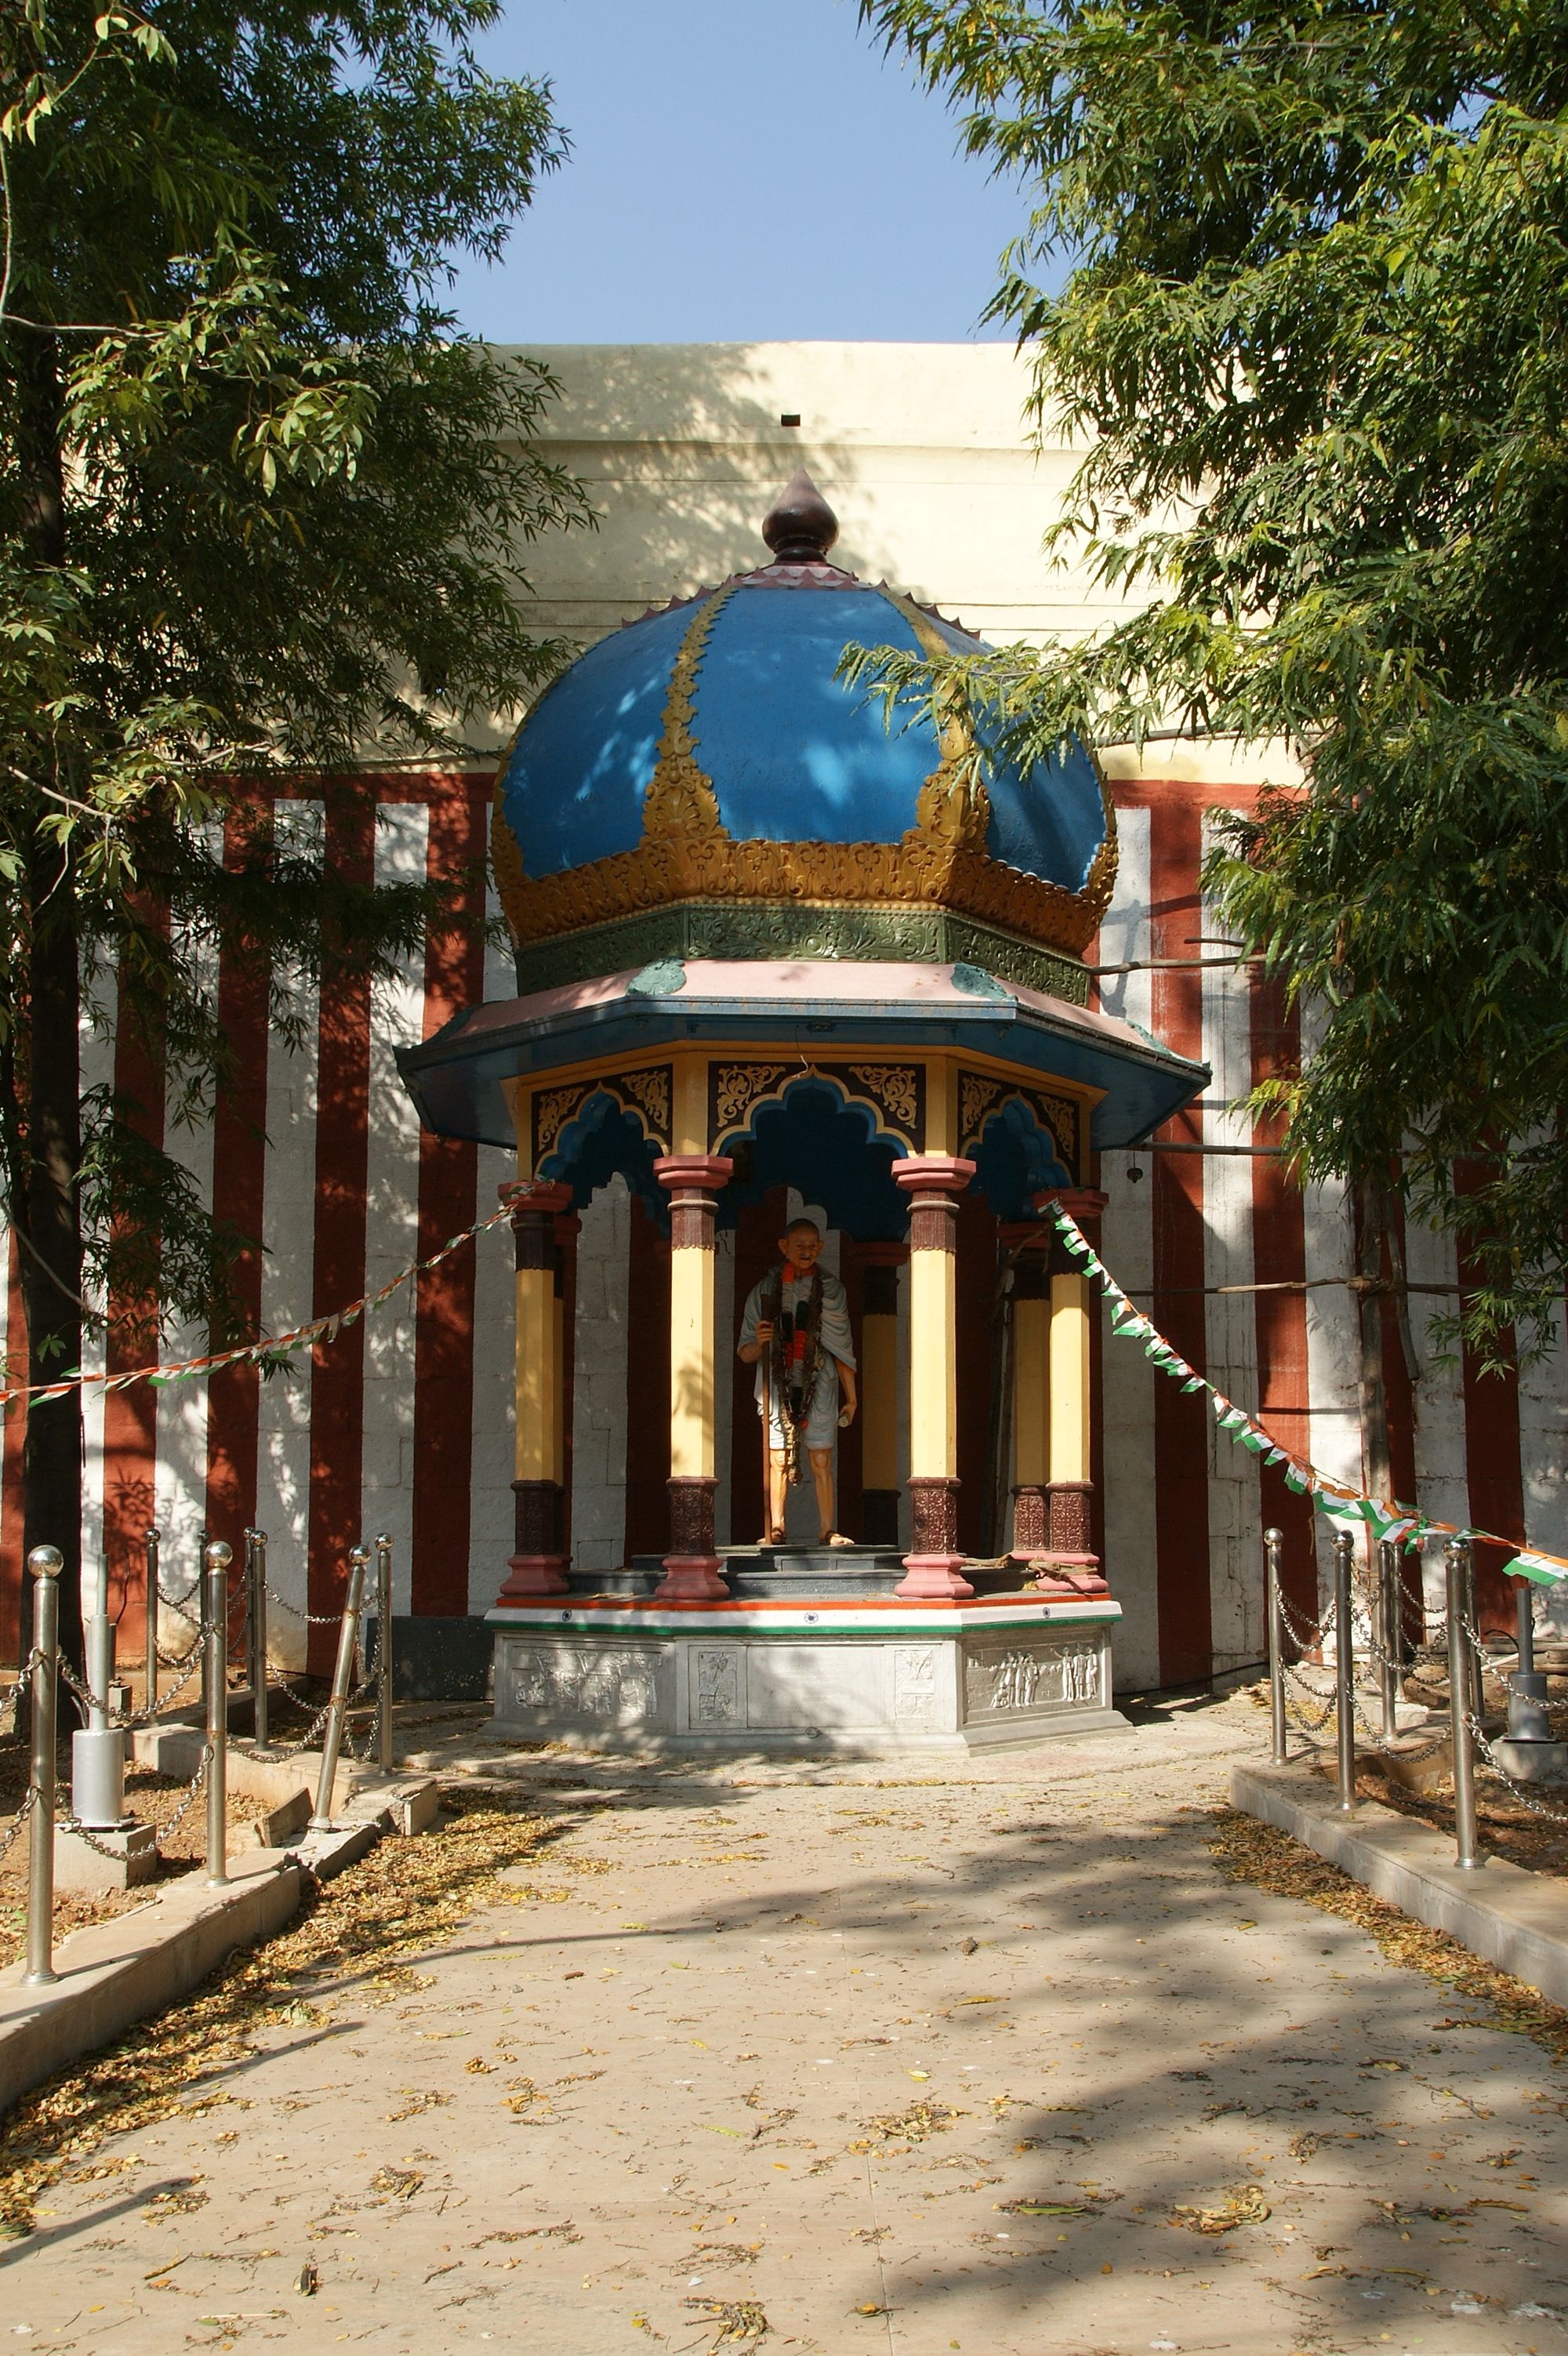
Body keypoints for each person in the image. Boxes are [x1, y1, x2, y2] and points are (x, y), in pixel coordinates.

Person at [737, 1217, 858, 1547]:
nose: (806, 1252)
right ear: (784, 1247)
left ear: (820, 1248)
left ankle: (827, 1529)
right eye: (799, 1245)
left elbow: (841, 1347)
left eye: (812, 1246)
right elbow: (746, 1353)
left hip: (820, 1379)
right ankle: (777, 1527)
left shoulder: (832, 1290)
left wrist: (852, 1397)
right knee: (777, 1458)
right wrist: (761, 1341)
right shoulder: (764, 1291)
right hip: (777, 1381)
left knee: (821, 1459)